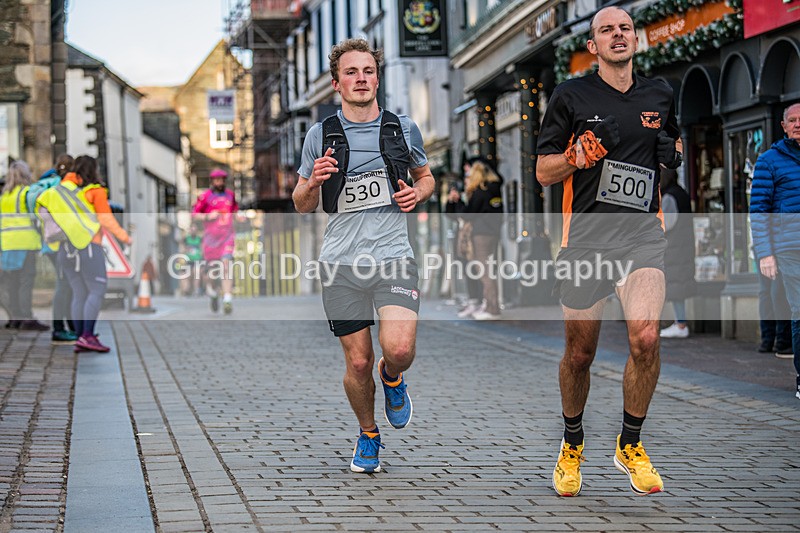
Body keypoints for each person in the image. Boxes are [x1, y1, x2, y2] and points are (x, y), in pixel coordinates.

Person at [536, 6, 682, 496]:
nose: (618, 35)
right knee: (580, 353)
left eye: (625, 28)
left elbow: (672, 147)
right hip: (587, 241)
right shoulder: (570, 95)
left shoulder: (660, 94)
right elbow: (544, 171)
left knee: (645, 337)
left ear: (636, 40)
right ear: (592, 46)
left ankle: (631, 443)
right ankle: (572, 442)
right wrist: (576, 156)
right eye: (606, 30)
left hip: (642, 235)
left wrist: (672, 157)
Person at [291, 38, 434, 473]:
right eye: (351, 73)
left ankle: (393, 377)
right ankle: (368, 434)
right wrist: (312, 182)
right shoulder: (320, 135)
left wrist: (417, 193)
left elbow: (425, 177)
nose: (360, 79)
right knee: (357, 360)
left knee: (400, 348)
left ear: (377, 77)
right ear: (337, 83)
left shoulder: (402, 128)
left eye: (367, 71)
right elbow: (300, 202)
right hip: (340, 262)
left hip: (393, 255)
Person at [48, 156, 132, 353]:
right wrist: (125, 237)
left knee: (79, 293)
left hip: (66, 248)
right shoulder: (95, 191)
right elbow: (105, 219)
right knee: (97, 290)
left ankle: (80, 336)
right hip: (88, 248)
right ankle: (87, 335)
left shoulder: (66, 191)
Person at [750, 102, 800, 400]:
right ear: (783, 126)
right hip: (790, 248)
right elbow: (759, 211)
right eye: (792, 120)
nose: (798, 124)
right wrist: (765, 253)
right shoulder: (769, 161)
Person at [28, 154, 79, 344]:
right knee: (65, 286)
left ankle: (70, 327)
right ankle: (60, 329)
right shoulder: (61, 186)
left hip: (49, 244)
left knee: (66, 285)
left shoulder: (44, 183)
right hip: (62, 243)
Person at [447, 159, 504, 320]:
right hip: (493, 232)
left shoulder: (480, 192)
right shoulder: (494, 190)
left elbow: (467, 213)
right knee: (486, 268)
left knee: (483, 269)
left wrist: (457, 202)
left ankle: (492, 308)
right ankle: (489, 305)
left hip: (481, 233)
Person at [0, 160, 49, 331]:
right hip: (26, 243)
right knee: (25, 282)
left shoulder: (4, 196)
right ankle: (27, 317)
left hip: (7, 244)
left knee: (12, 282)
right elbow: (39, 216)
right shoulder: (27, 193)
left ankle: (15, 317)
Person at [192, 169, 237, 314]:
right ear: (212, 182)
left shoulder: (230, 195)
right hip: (211, 240)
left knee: (226, 265)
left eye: (222, 180)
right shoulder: (204, 197)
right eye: (217, 180)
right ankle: (214, 293)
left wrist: (240, 218)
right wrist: (207, 216)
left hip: (227, 236)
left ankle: (228, 299)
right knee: (211, 273)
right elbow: (194, 215)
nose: (220, 183)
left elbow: (235, 212)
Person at [659, 169, 696, 339]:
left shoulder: (669, 197)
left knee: (675, 284)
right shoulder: (682, 193)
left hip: (674, 247)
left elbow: (665, 224)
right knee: (678, 283)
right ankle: (679, 323)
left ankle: (680, 324)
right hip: (684, 244)